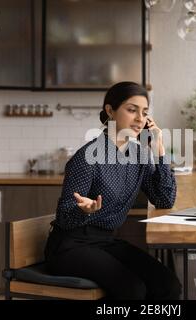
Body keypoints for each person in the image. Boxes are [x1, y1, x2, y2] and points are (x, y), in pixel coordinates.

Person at [44, 82, 181, 300]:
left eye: (144, 113)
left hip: (106, 242)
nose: (139, 119)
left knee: (168, 285)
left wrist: (159, 149)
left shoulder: (139, 156)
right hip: (71, 246)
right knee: (133, 290)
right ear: (110, 111)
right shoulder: (87, 158)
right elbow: (64, 217)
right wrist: (84, 211)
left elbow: (164, 199)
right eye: (131, 109)